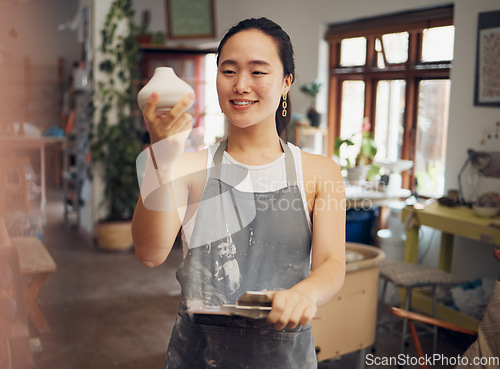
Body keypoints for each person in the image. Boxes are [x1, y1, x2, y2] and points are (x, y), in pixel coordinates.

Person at [132, 17, 346, 369]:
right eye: (228, 71)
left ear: (285, 83)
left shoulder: (321, 172)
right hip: (196, 356)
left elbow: (331, 264)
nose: (241, 85)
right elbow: (149, 253)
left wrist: (304, 294)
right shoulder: (187, 167)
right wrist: (161, 154)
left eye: (258, 72)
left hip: (284, 359)